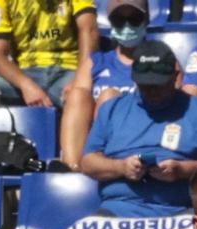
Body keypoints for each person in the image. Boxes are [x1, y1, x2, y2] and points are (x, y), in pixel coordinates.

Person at [80, 43, 197, 221]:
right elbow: (88, 162)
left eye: (159, 85)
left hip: (182, 210)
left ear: (175, 78)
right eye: (145, 85)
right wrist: (122, 167)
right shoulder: (112, 109)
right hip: (118, 210)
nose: (152, 92)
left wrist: (183, 170)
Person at [59, 0, 154, 168]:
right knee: (77, 94)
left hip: (137, 139)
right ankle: (72, 167)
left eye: (134, 19)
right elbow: (77, 102)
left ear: (146, 20)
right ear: (111, 22)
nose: (127, 26)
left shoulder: (160, 61)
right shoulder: (96, 62)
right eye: (119, 19)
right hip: (92, 142)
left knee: (109, 97)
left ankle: (104, 163)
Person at [0, 0, 98, 111]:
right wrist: (26, 85)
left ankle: (72, 147)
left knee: (78, 95)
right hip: (24, 73)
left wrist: (80, 78)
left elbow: (89, 30)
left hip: (68, 69)